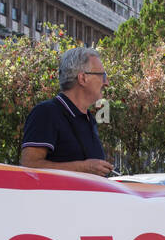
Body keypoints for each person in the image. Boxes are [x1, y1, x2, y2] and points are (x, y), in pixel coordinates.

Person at [19, 47, 114, 176]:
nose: (106, 82)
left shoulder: (88, 119)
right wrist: (83, 168)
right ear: (83, 78)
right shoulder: (46, 113)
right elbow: (29, 166)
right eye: (103, 76)